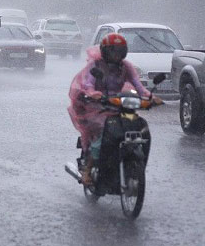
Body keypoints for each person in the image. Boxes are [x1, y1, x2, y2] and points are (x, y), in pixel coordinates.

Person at [68, 33, 162, 185]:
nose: (116, 55)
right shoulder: (96, 66)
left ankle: (133, 167)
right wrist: (94, 94)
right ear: (105, 51)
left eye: (119, 51)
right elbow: (88, 85)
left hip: (119, 105)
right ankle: (87, 169)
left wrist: (150, 97)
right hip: (98, 106)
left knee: (141, 127)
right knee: (101, 134)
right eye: (112, 51)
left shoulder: (127, 67)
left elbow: (138, 86)